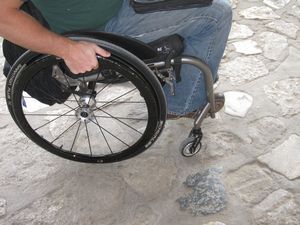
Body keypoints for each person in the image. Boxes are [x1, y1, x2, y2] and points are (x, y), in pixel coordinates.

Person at [0, 0, 232, 117]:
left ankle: (189, 79)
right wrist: (66, 49)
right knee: (217, 15)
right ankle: (183, 104)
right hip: (103, 26)